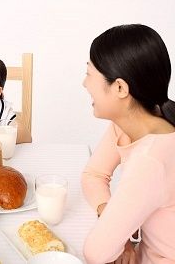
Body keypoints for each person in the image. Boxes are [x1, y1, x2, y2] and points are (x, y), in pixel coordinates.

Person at [81, 24, 175, 264]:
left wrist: (117, 233)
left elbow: (96, 252)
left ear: (120, 88)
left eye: (89, 73)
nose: (84, 84)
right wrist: (115, 224)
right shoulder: (135, 121)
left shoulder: (151, 159)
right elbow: (94, 174)